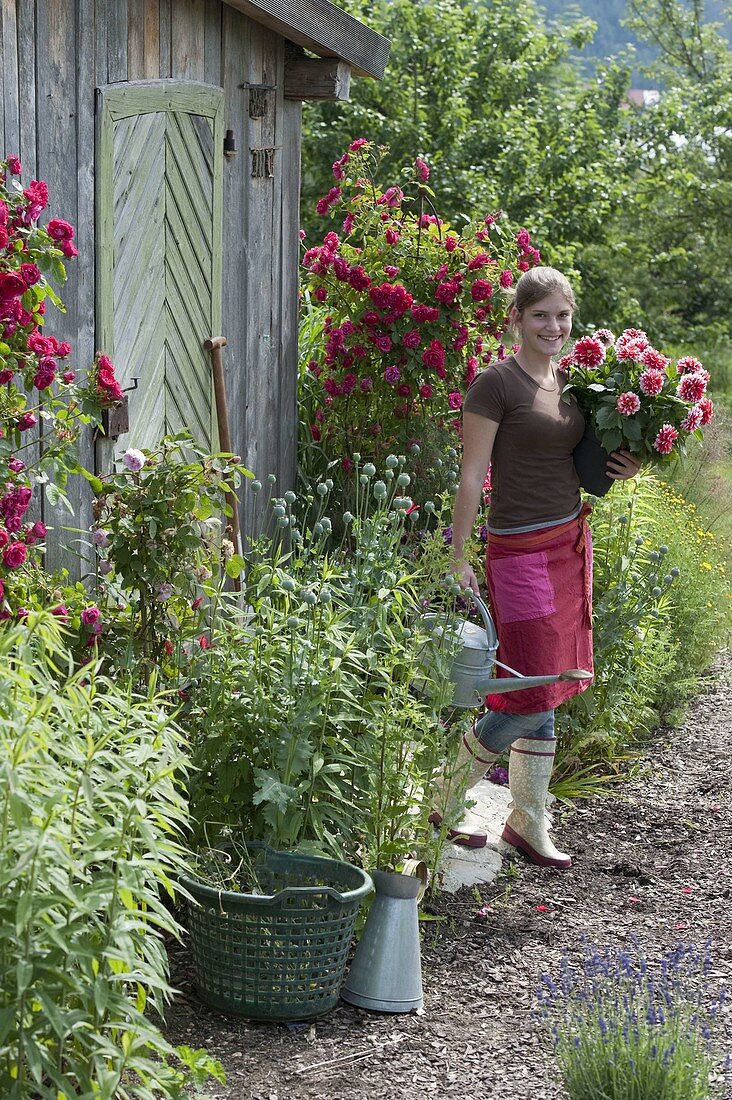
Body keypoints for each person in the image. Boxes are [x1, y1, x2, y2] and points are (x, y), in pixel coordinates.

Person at [435, 266, 641, 868]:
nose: (553, 327)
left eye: (562, 316)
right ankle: (439, 800)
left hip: (567, 543)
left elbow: (579, 459)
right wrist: (458, 555)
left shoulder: (573, 383)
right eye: (540, 316)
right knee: (531, 691)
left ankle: (527, 821)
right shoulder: (494, 385)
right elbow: (473, 474)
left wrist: (624, 467)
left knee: (548, 679)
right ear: (516, 320)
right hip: (519, 552)